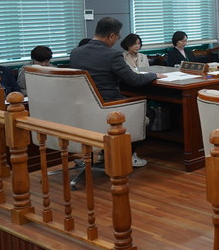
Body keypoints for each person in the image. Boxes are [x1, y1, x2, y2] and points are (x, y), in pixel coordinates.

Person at [69, 17, 163, 167]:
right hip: (109, 106)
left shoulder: (76, 53)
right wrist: (154, 75)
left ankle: (105, 152)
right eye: (117, 37)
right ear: (111, 36)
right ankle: (128, 154)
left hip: (83, 108)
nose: (116, 40)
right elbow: (134, 80)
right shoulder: (112, 55)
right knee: (148, 112)